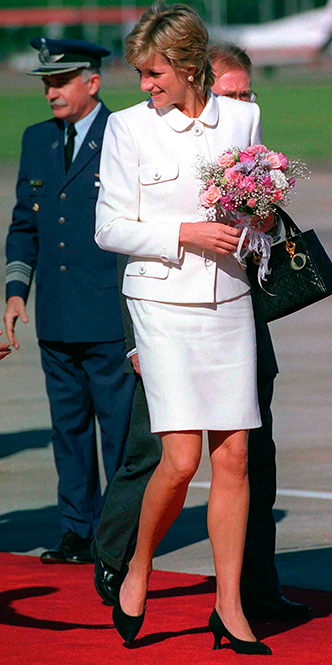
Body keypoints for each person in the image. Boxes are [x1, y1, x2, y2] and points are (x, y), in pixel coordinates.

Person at [95, 4, 303, 653]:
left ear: (188, 67)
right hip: (160, 303)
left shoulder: (242, 119)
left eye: (153, 72)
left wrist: (262, 219)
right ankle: (138, 566)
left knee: (234, 455)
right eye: (140, 73)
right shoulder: (127, 127)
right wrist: (185, 231)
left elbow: (257, 218)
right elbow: (109, 228)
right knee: (181, 458)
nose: (144, 84)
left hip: (230, 301)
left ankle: (229, 607)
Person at [3, 37, 136, 563]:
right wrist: (16, 292)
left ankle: (119, 536)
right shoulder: (38, 139)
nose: (50, 93)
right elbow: (24, 224)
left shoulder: (123, 134)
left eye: (60, 82)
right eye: (46, 84)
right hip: (56, 315)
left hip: (108, 313)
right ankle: (77, 529)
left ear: (92, 82)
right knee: (68, 429)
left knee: (119, 431)